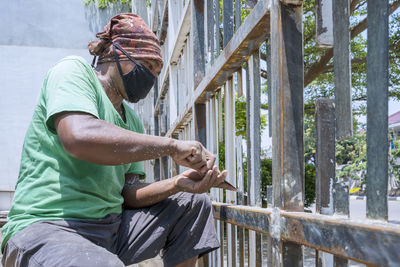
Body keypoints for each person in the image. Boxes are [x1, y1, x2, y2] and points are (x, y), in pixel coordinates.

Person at [1, 13, 229, 267]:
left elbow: (128, 194)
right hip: (49, 228)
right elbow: (78, 137)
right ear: (116, 53)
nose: (151, 77)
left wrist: (178, 183)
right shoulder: (73, 72)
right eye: (147, 66)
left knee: (193, 204)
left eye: (157, 71)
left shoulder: (130, 119)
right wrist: (171, 146)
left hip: (109, 230)